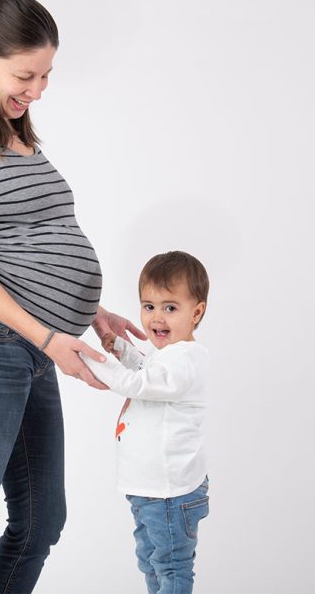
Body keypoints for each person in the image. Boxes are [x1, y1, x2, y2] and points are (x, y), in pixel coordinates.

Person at [0, 0, 145, 594]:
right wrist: (50, 335)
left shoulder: (19, 135)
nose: (38, 90)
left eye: (47, 74)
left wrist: (92, 311)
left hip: (34, 343)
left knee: (43, 520)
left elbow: (30, 238)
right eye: (26, 75)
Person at [80, 251, 211, 594]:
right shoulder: (167, 357)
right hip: (148, 489)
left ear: (197, 312)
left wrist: (88, 358)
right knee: (150, 561)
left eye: (170, 307)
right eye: (149, 306)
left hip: (169, 492)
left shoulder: (185, 360)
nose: (157, 317)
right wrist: (119, 348)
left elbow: (137, 383)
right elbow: (144, 370)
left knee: (170, 567)